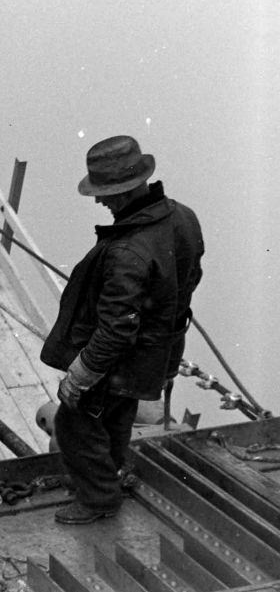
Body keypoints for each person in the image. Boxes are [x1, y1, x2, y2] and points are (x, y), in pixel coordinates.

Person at [41, 135, 203, 525]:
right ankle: (107, 476)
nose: (100, 201)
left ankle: (98, 499)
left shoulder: (127, 253)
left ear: (128, 190)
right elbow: (190, 279)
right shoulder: (182, 216)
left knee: (74, 421)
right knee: (115, 417)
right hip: (156, 351)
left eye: (105, 193)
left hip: (120, 359)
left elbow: (116, 329)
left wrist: (80, 374)